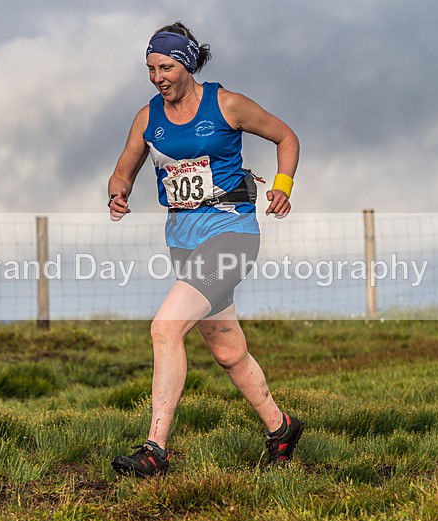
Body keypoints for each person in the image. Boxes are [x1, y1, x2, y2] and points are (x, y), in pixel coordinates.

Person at [107, 21, 302, 477]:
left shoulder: (227, 104)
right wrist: (117, 192)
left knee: (165, 329)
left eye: (167, 67)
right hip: (183, 241)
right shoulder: (147, 117)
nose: (158, 77)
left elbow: (286, 137)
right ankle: (281, 428)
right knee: (228, 352)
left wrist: (282, 186)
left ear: (188, 63)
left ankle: (155, 448)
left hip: (232, 234)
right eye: (151, 68)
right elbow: (123, 170)